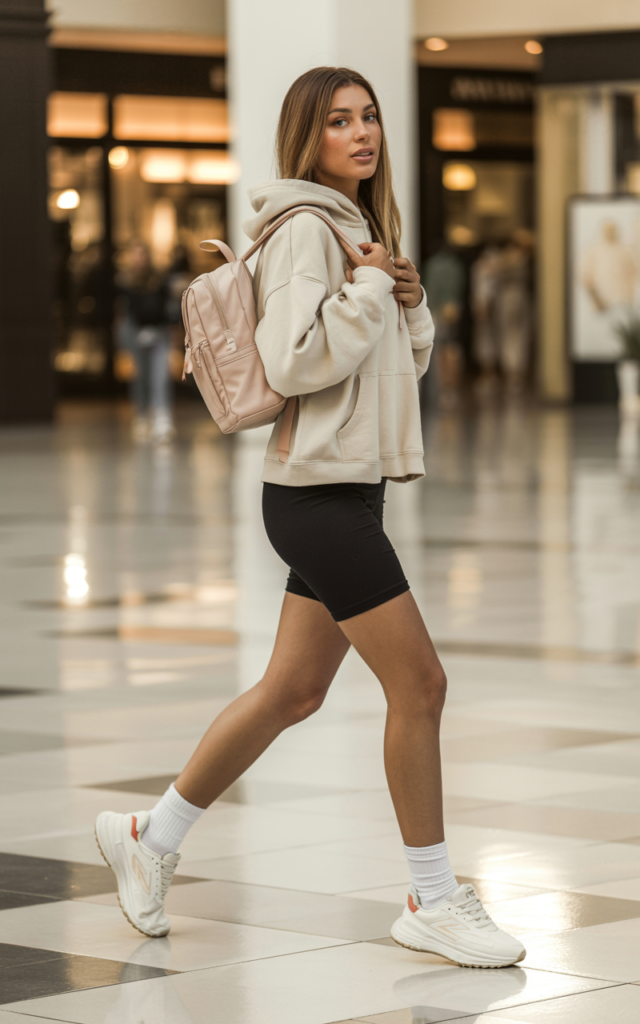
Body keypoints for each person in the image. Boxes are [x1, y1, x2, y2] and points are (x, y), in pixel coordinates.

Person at [95, 67, 525, 970]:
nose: (361, 133)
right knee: (423, 686)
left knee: (293, 691)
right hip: (315, 500)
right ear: (308, 137)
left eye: (368, 117)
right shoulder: (302, 231)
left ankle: (150, 835)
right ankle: (432, 897)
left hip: (340, 488)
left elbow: (388, 364)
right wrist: (370, 293)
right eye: (339, 121)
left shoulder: (359, 230)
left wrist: (402, 301)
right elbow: (291, 363)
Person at [116, 241, 175, 442]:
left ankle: (161, 416)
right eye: (136, 255)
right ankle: (141, 416)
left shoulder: (160, 279)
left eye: (143, 254)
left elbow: (167, 306)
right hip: (135, 333)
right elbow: (124, 312)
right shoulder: (125, 282)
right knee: (140, 376)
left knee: (160, 375)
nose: (140, 259)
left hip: (159, 332)